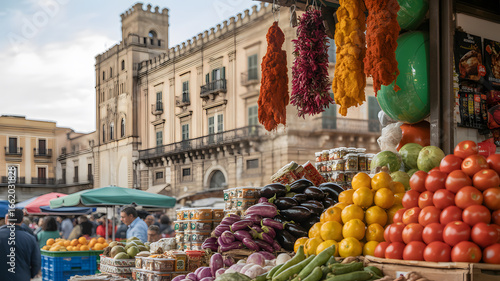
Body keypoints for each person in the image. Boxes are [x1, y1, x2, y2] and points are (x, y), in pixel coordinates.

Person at [0, 209, 41, 281]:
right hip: (22, 277)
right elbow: (36, 262)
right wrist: (30, 275)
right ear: (22, 220)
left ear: (7, 218)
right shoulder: (30, 238)